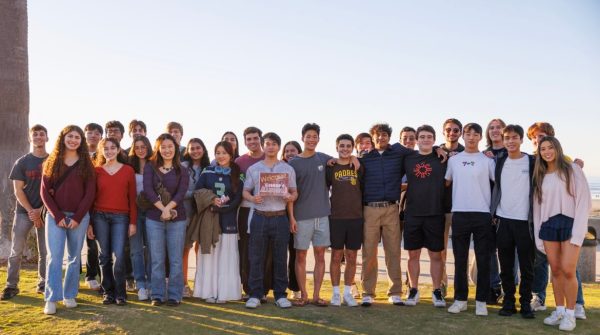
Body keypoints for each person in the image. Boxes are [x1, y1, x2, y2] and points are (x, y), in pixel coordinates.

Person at [527, 122, 587, 319]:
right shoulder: (540, 173)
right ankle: (559, 310)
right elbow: (538, 207)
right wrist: (538, 236)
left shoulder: (572, 169)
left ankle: (572, 312)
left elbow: (583, 202)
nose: (546, 151)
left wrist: (578, 232)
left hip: (569, 225)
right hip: (548, 227)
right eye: (542, 148)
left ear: (557, 148)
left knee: (568, 270)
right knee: (556, 272)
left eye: (550, 147)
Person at [359, 123, 421, 307]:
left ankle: (395, 292)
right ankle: (368, 292)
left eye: (384, 135)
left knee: (393, 251)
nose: (381, 138)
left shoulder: (399, 153)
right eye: (377, 135)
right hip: (370, 208)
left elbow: (420, 152)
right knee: (368, 252)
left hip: (391, 208)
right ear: (372, 137)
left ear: (389, 137)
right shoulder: (364, 158)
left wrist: (437, 150)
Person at [40, 125, 96, 315]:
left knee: (74, 258)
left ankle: (69, 294)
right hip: (56, 217)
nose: (73, 140)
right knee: (54, 258)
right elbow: (44, 192)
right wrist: (58, 216)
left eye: (77, 137)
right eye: (70, 136)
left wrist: (78, 217)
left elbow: (90, 193)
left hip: (78, 218)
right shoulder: (52, 161)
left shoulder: (86, 163)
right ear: (63, 138)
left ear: (81, 141)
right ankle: (51, 298)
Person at [243, 132, 298, 309]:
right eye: (267, 143)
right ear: (263, 145)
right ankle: (255, 294)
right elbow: (245, 191)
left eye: (274, 144)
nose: (270, 147)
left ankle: (281, 295)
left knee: (280, 257)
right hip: (259, 216)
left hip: (280, 217)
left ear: (278, 147)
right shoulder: (254, 169)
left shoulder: (287, 169)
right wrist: (253, 199)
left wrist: (289, 196)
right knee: (256, 257)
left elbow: (295, 192)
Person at [445, 123, 495, 316]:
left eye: (476, 134)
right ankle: (460, 299)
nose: (471, 137)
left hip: (482, 214)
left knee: (483, 260)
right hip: (460, 213)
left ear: (481, 137)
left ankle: (481, 301)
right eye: (468, 134)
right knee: (460, 260)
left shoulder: (488, 161)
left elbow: (498, 183)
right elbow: (447, 181)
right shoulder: (454, 161)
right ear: (463, 136)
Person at [490, 124, 535, 318]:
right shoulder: (498, 161)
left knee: (527, 267)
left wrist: (576, 163)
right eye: (507, 137)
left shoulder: (532, 161)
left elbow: (556, 163)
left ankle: (525, 303)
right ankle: (509, 302)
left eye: (514, 137)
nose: (510, 141)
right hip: (503, 221)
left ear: (521, 140)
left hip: (526, 222)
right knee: (506, 267)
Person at [400, 125, 447, 308]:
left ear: (434, 140)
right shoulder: (408, 157)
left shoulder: (442, 157)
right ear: (417, 139)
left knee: (436, 255)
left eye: (429, 137)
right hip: (413, 213)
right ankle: (413, 289)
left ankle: (436, 290)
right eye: (422, 137)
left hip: (435, 212)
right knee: (413, 255)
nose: (426, 139)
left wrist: (439, 149)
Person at [1, 125, 49, 300]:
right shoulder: (22, 162)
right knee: (16, 250)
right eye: (34, 135)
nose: (38, 137)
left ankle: (43, 284)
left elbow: (55, 191)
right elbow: (18, 191)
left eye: (41, 134)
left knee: (45, 252)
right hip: (23, 212)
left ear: (47, 138)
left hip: (46, 212)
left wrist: (41, 211)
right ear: (30, 139)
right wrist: (31, 211)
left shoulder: (52, 161)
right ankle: (11, 286)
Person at [88, 138, 137, 306]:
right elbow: (90, 199)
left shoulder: (128, 171)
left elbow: (132, 199)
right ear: (102, 151)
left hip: (121, 218)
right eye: (106, 148)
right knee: (104, 256)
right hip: (99, 216)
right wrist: (89, 223)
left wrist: (133, 222)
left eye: (112, 148)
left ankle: (120, 293)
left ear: (118, 150)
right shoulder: (97, 171)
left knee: (119, 255)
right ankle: (108, 292)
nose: (109, 151)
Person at [288, 123, 333, 307]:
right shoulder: (293, 163)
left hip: (322, 216)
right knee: (300, 256)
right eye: (309, 136)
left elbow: (342, 159)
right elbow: (290, 194)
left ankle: (316, 295)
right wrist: (291, 217)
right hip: (301, 217)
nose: (312, 139)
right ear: (302, 138)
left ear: (318, 139)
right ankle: (303, 294)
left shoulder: (324, 158)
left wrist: (354, 157)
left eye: (315, 136)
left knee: (320, 256)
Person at [193, 141, 242, 303]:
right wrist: (212, 201)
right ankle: (209, 292)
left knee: (226, 256)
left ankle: (225, 293)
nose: (221, 156)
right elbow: (198, 191)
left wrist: (221, 209)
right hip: (210, 218)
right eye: (218, 152)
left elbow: (237, 199)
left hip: (228, 219)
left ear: (231, 154)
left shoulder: (237, 173)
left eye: (224, 153)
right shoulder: (207, 171)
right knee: (210, 255)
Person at [143, 133, 189, 306]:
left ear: (175, 148)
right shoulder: (150, 167)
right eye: (163, 147)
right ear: (158, 149)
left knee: (176, 258)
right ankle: (157, 294)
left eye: (170, 146)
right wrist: (162, 209)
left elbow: (181, 192)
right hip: (154, 218)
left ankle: (175, 295)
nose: (167, 150)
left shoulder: (182, 170)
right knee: (156, 258)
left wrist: (168, 209)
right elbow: (148, 190)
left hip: (177, 219)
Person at [326, 134, 363, 307]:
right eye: (342, 146)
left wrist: (355, 158)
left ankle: (347, 292)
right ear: (337, 147)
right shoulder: (331, 167)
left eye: (349, 146)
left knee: (352, 257)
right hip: (336, 218)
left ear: (353, 148)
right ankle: (335, 293)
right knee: (335, 256)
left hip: (355, 217)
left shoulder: (358, 166)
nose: (345, 149)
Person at [235, 127, 266, 300]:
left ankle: (262, 289)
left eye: (255, 138)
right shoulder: (240, 161)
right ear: (245, 141)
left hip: (268, 209)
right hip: (246, 209)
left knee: (263, 250)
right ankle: (248, 288)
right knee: (246, 250)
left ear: (260, 139)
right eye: (249, 139)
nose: (252, 141)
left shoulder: (269, 157)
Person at [181, 138, 210, 298]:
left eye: (198, 148)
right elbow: (178, 192)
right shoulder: (183, 167)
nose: (195, 151)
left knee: (202, 249)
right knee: (185, 249)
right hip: (186, 213)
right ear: (188, 151)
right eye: (192, 148)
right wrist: (197, 195)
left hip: (204, 213)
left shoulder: (210, 168)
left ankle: (201, 284)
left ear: (203, 149)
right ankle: (184, 284)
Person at [439, 118, 464, 297]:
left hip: (462, 207)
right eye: (448, 130)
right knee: (440, 251)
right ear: (443, 132)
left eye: (456, 130)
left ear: (460, 133)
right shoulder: (436, 151)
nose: (452, 133)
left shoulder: (468, 152)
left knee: (461, 251)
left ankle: (460, 288)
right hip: (441, 207)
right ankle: (441, 285)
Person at [128, 136, 153, 301]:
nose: (140, 149)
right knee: (136, 250)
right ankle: (140, 284)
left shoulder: (154, 165)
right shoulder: (129, 167)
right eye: (137, 147)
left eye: (143, 146)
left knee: (152, 250)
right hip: (135, 212)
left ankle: (151, 283)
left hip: (152, 211)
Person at [281, 140, 302, 300]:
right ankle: (278, 287)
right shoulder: (280, 169)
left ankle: (295, 287)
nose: (289, 153)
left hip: (300, 214)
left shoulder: (302, 167)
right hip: (281, 214)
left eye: (292, 150)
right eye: (287, 151)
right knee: (280, 254)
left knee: (295, 253)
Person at [83, 122, 103, 291]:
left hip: (96, 203)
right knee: (73, 245)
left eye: (97, 133)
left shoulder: (103, 154)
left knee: (93, 242)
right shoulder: (78, 153)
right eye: (90, 133)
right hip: (76, 202)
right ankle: (75, 276)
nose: (93, 136)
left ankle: (91, 275)